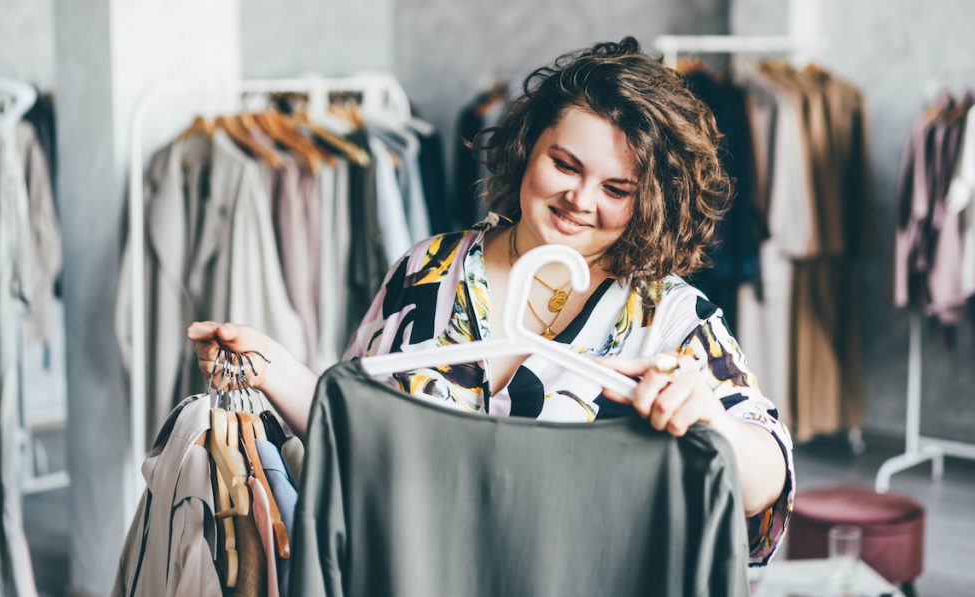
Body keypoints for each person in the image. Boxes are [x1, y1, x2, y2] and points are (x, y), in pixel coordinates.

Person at [188, 36, 794, 566]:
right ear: (530, 147)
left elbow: (768, 490)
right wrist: (273, 369)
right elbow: (354, 432)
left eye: (616, 188)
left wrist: (712, 423)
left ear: (652, 201)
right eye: (565, 164)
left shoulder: (672, 320)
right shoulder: (426, 271)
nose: (580, 199)